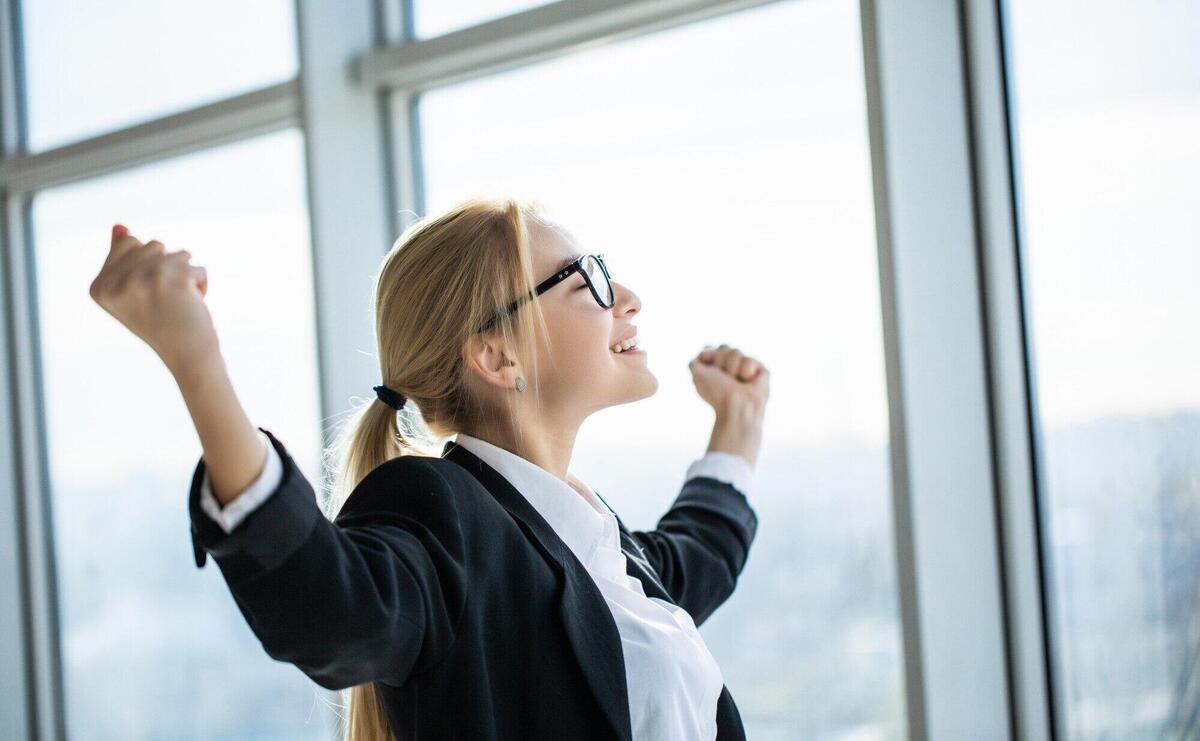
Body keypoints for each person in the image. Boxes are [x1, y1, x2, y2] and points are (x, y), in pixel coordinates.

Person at [89, 197, 770, 740]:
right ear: (498, 356)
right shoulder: (439, 511)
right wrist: (196, 360)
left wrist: (738, 421)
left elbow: (694, 557)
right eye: (585, 277)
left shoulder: (592, 542)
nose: (625, 294)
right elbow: (329, 605)